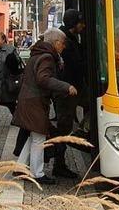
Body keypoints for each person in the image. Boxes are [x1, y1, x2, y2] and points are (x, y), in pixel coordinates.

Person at [13, 28, 78, 185]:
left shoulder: (38, 53)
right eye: (62, 44)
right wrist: (65, 86)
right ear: (56, 43)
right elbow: (43, 79)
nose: (63, 47)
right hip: (35, 101)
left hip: (29, 99)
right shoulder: (47, 57)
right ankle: (37, 173)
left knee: (34, 136)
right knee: (39, 138)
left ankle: (20, 168)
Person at [53, 9, 86, 179]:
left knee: (67, 124)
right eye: (81, 22)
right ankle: (59, 164)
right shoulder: (64, 40)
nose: (83, 26)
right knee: (63, 128)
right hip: (67, 91)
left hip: (73, 89)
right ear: (74, 24)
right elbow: (73, 65)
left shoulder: (72, 38)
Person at [0, 32, 21, 114]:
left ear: (3, 40)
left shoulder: (11, 49)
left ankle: (17, 119)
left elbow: (17, 62)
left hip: (8, 80)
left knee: (9, 102)